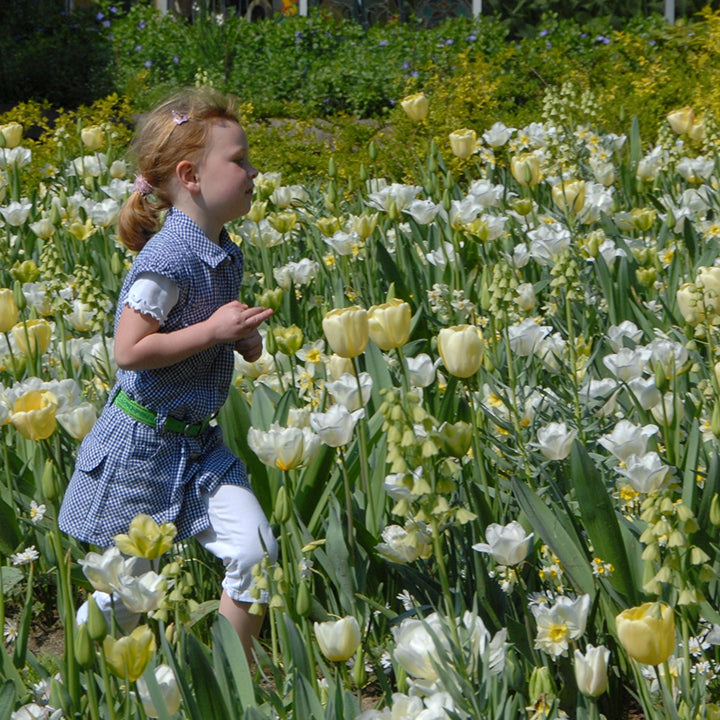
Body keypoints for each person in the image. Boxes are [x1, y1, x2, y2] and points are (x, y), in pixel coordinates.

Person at [58, 87, 278, 661]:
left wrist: (239, 339)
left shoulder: (222, 250)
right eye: (240, 160)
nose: (254, 171)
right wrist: (211, 332)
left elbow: (202, 334)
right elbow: (129, 352)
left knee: (255, 553)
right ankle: (70, 682)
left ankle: (233, 683)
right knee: (127, 599)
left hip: (199, 446)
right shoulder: (165, 260)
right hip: (141, 447)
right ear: (191, 176)